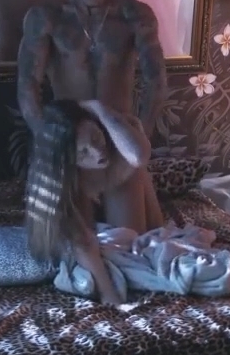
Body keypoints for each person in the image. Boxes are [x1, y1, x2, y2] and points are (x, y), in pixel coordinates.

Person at [16, 0, 167, 235]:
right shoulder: (46, 16)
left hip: (119, 142)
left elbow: (156, 81)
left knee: (131, 243)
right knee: (70, 248)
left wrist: (139, 139)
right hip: (72, 144)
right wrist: (53, 145)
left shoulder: (134, 15)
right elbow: (28, 86)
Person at [25, 99, 151, 305]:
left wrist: (98, 108)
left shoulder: (115, 130)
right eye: (83, 152)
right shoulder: (60, 183)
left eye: (95, 137)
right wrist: (109, 294)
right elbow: (82, 243)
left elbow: (138, 156)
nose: (98, 152)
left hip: (112, 217)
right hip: (78, 237)